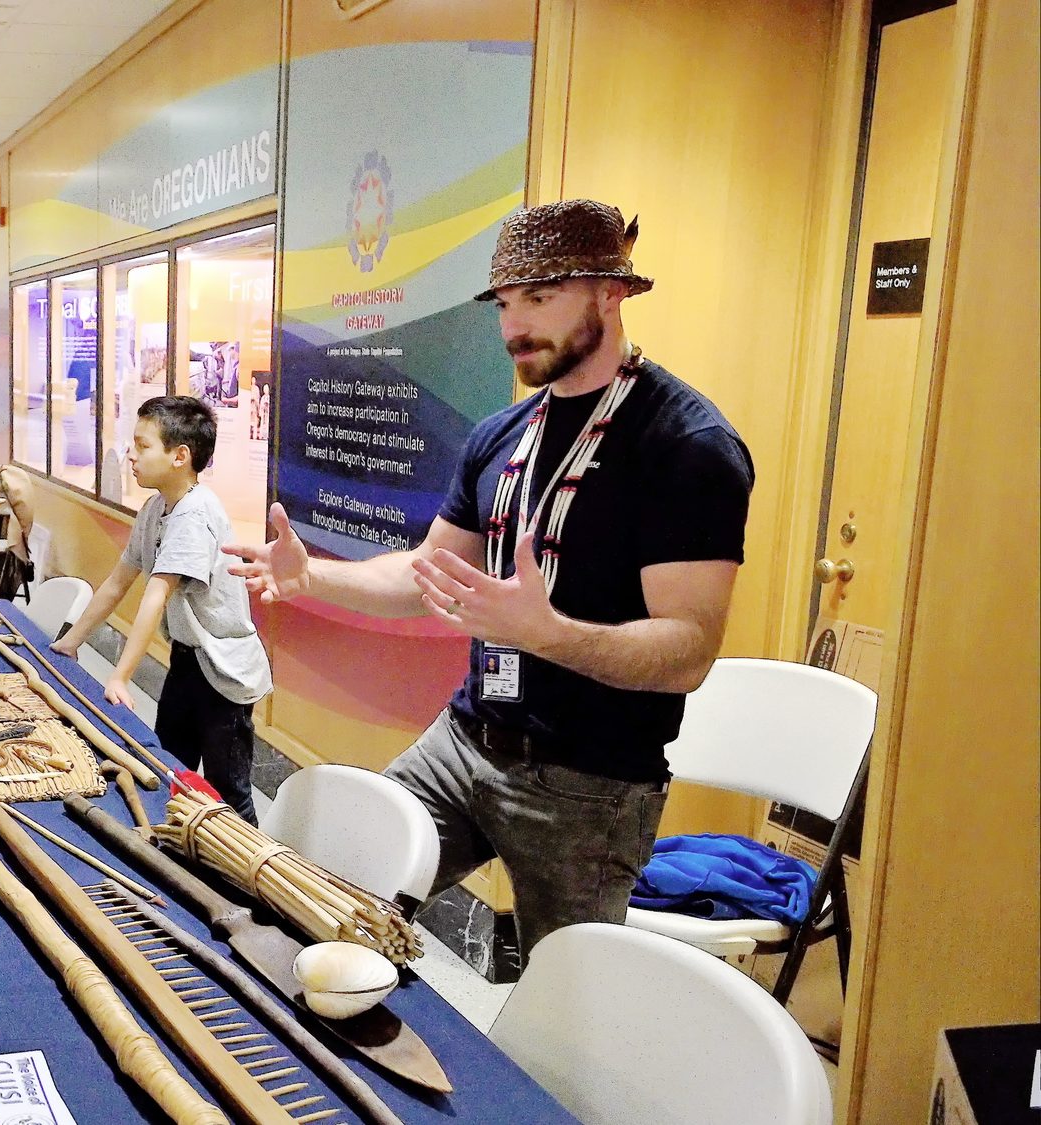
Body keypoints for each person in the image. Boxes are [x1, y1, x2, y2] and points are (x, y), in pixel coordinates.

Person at [225, 200, 754, 958]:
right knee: (328, 896)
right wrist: (313, 578)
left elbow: (689, 649)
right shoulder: (501, 435)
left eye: (540, 298)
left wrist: (548, 635)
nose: (514, 325)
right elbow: (427, 574)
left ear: (612, 293)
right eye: (506, 303)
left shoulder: (687, 445)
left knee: (567, 1002)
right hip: (464, 741)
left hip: (590, 784)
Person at [53, 396, 272, 822]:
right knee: (172, 768)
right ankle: (179, 855)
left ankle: (244, 881)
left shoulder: (195, 514)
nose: (131, 454)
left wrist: (120, 677)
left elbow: (155, 597)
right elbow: (118, 582)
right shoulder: (156, 508)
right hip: (187, 661)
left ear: (180, 456)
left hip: (223, 673)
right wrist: (71, 641)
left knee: (228, 791)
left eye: (143, 445)